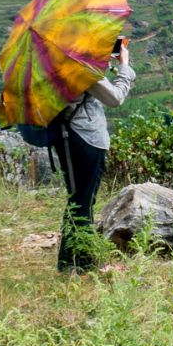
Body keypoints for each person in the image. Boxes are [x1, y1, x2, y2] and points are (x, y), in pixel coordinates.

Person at [54, 38, 135, 272]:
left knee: (77, 200)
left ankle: (69, 261)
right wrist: (124, 66)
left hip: (67, 136)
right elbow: (115, 98)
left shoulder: (59, 60)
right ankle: (83, 263)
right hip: (86, 138)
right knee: (83, 202)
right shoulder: (80, 67)